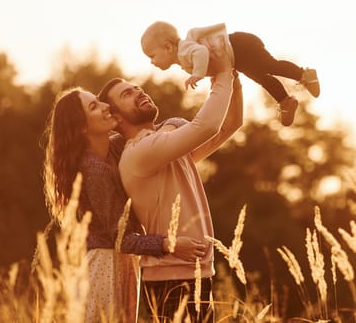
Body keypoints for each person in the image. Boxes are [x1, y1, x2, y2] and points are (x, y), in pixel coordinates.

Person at [98, 40, 243, 322]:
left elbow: (229, 125)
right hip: (172, 279)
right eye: (128, 94)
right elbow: (208, 125)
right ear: (115, 118)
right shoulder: (139, 152)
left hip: (194, 273)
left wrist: (231, 77)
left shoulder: (165, 143)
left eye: (137, 87)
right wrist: (222, 72)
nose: (139, 91)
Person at [42, 87, 207, 322]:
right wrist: (170, 244)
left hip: (121, 265)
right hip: (105, 267)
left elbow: (158, 129)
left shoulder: (116, 148)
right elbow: (122, 239)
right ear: (82, 127)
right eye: (94, 107)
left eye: (100, 102)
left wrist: (170, 125)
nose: (106, 106)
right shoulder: (94, 170)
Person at [140, 21, 320, 126]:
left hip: (240, 46)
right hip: (238, 55)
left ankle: (304, 74)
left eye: (152, 56)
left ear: (168, 47)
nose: (151, 62)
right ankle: (285, 100)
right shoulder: (184, 54)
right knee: (261, 77)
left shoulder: (184, 50)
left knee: (269, 66)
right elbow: (212, 59)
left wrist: (198, 74)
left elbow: (201, 53)